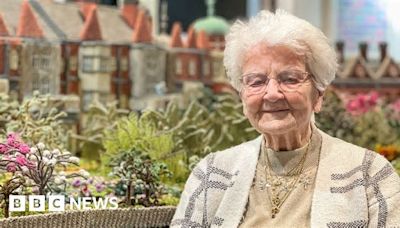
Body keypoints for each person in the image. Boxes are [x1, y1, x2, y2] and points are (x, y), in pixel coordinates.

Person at [171, 10, 400, 228]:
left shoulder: (369, 175)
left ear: (318, 95)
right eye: (256, 81)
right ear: (242, 97)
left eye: (289, 79)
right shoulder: (211, 174)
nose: (271, 94)